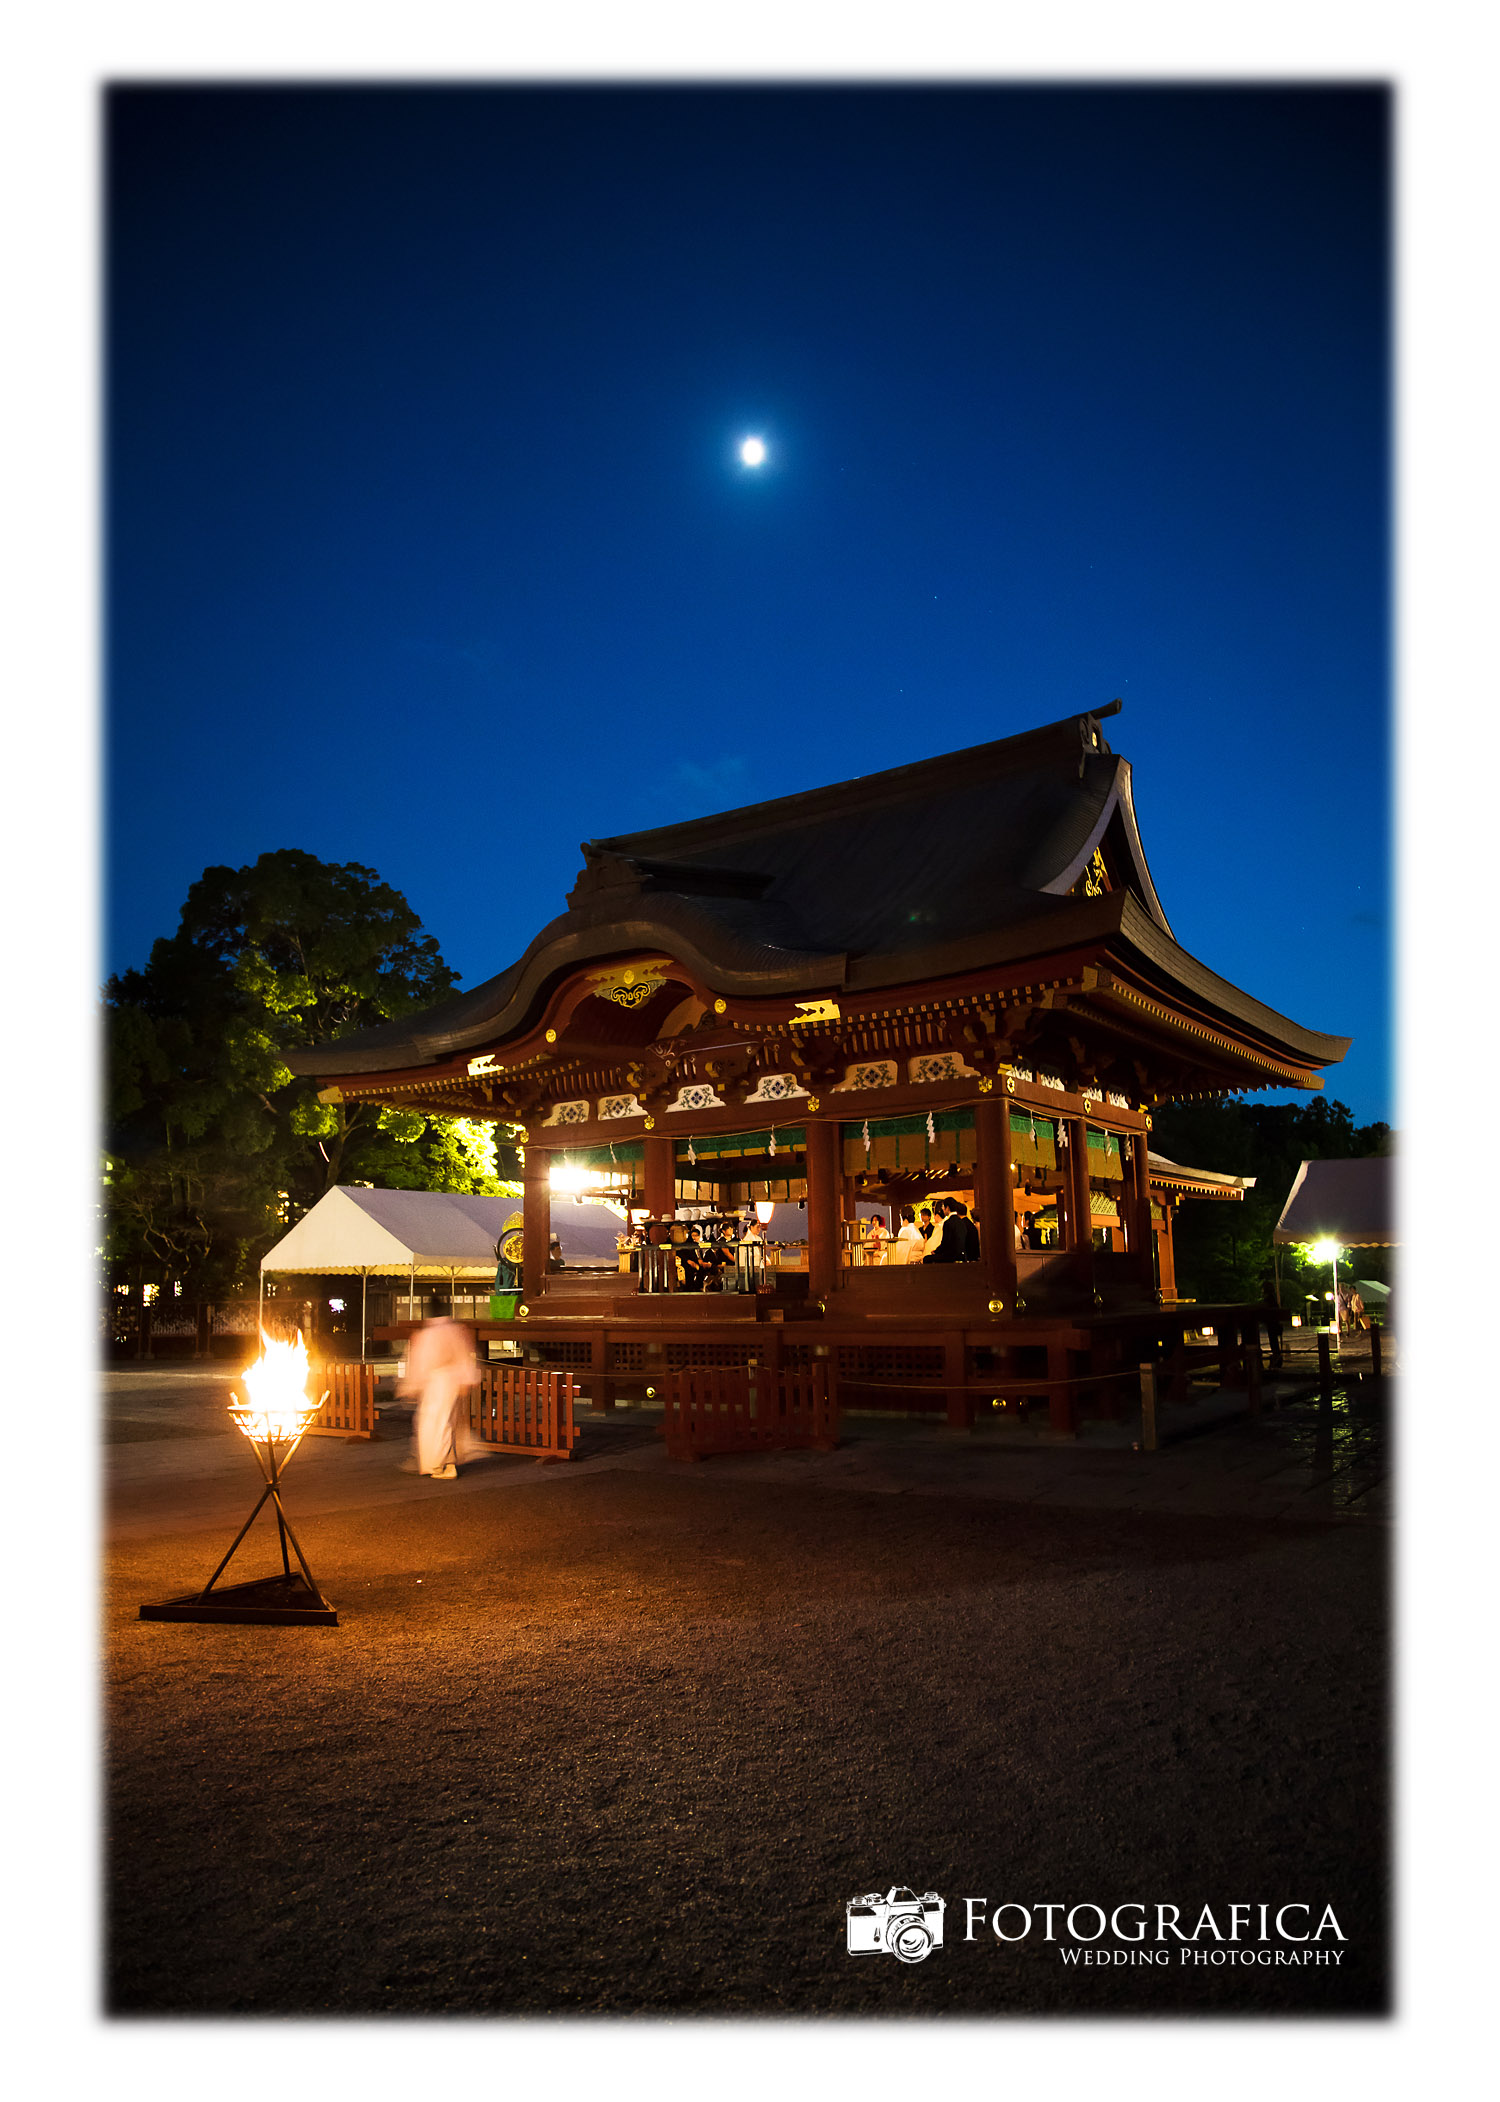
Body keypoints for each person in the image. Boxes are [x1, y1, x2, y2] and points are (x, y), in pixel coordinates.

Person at [398, 1315, 483, 1480]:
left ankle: (439, 1464)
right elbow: (464, 1354)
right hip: (452, 1380)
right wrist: (466, 1379)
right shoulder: (456, 1330)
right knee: (448, 1423)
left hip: (435, 1382)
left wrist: (412, 1386)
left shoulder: (428, 1334)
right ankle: (447, 1462)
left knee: (436, 1424)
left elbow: (421, 1362)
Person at [1259, 1279, 1285, 1375]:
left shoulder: (1268, 1299)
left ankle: (1276, 1359)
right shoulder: (1272, 1298)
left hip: (1271, 1324)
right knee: (1274, 1342)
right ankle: (1277, 1359)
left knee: (1273, 1342)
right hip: (1274, 1323)